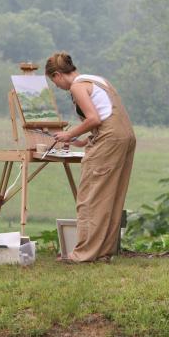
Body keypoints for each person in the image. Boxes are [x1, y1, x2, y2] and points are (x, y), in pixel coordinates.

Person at [45, 52, 136, 262]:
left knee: (90, 197)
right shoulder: (98, 80)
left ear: (58, 75)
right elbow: (106, 116)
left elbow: (94, 118)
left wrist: (69, 134)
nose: (56, 86)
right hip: (124, 138)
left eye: (54, 82)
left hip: (110, 141)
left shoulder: (77, 87)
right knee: (110, 197)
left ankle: (83, 254)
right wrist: (83, 141)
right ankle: (103, 252)